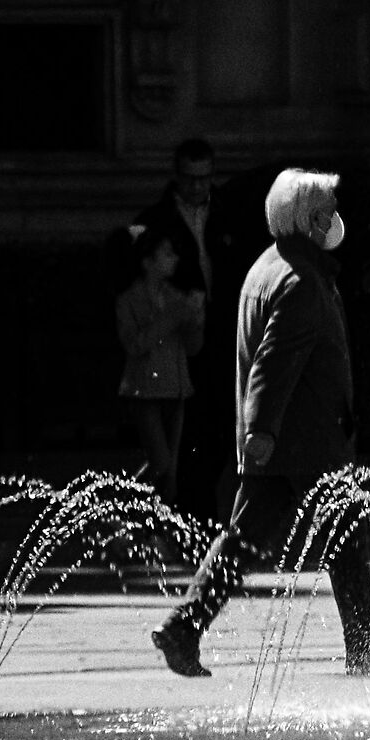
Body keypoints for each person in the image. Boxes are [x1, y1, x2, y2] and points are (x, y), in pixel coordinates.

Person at [151, 167, 370, 680]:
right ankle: (364, 646)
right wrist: (262, 433)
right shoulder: (300, 282)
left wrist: (259, 438)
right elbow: (273, 367)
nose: (333, 220)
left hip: (281, 443)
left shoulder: (268, 268)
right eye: (323, 213)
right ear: (304, 219)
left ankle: (185, 628)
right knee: (342, 538)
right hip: (304, 442)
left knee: (245, 540)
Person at [135, 139, 248, 521]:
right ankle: (183, 516)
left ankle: (198, 515)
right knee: (183, 434)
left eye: (204, 178)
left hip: (221, 336)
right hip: (177, 341)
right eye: (190, 178)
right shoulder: (157, 220)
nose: (198, 187)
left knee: (219, 431)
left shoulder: (230, 213)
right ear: (177, 176)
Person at [114, 223, 205, 501]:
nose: (174, 259)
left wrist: (195, 318)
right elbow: (135, 344)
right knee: (161, 463)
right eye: (166, 254)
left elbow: (193, 347)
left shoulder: (174, 297)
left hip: (176, 389)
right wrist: (172, 318)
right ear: (147, 262)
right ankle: (127, 499)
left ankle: (154, 515)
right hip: (145, 392)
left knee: (171, 469)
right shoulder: (129, 300)